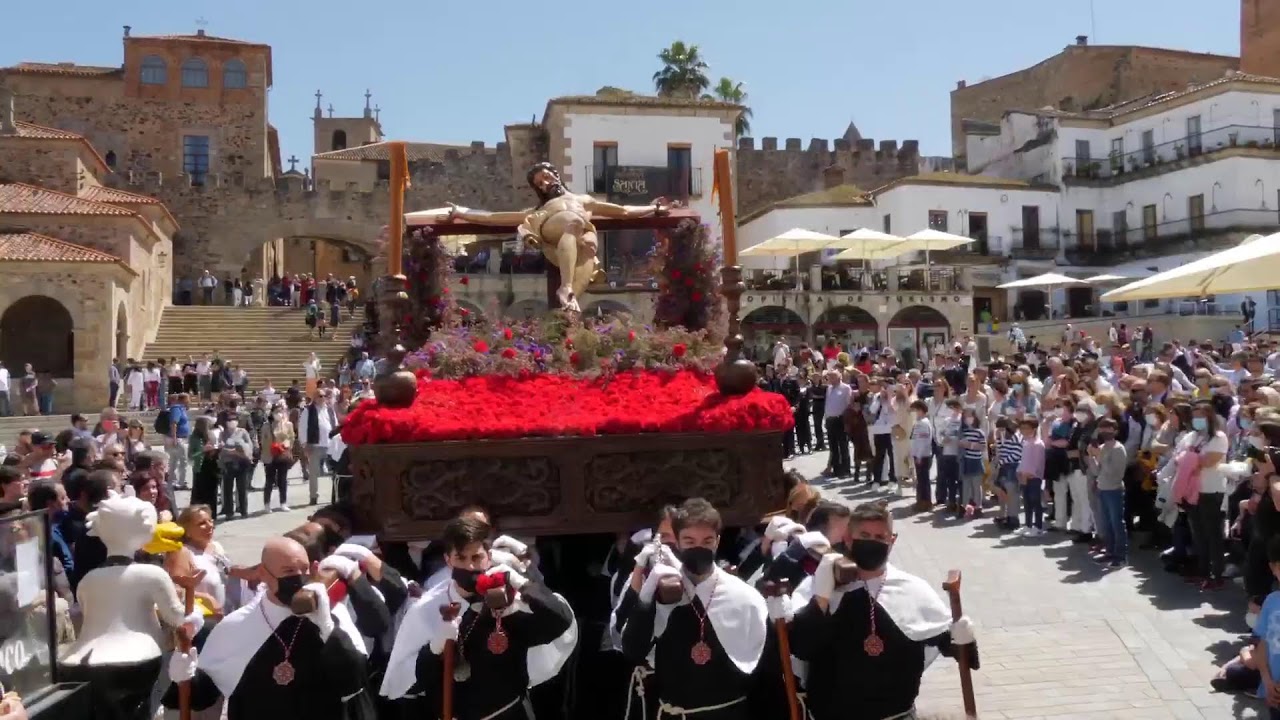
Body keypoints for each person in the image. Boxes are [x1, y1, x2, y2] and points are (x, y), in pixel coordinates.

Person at [784, 501, 978, 720]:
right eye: (864, 536)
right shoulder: (817, 587)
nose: (871, 543)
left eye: (879, 538)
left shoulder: (911, 589)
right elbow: (800, 648)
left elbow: (960, 655)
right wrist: (821, 598)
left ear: (891, 541)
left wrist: (964, 639)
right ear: (848, 538)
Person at [380, 514, 576, 719]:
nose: (470, 567)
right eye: (461, 558)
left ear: (489, 557)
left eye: (476, 558)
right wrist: (433, 649)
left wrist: (524, 583)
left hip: (508, 713)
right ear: (448, 559)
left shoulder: (508, 599)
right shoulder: (427, 608)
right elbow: (413, 681)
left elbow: (558, 621)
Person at [164, 536, 374, 720]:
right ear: (263, 573)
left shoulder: (330, 615)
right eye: (289, 571)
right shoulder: (236, 626)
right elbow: (204, 697)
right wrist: (185, 675)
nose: (300, 577)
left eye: (305, 569)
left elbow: (355, 680)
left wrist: (327, 628)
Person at [620, 498, 768, 718]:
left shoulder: (744, 597)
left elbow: (762, 672)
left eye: (707, 541)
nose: (699, 548)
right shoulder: (664, 592)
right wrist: (645, 598)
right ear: (677, 543)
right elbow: (633, 649)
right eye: (689, 541)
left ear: (717, 542)